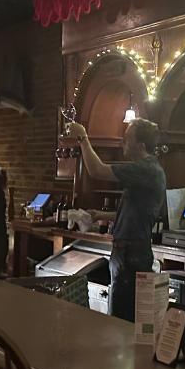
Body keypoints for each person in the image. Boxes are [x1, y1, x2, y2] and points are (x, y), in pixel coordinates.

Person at [68, 118, 166, 321]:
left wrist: (82, 137)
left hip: (131, 253)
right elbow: (137, 211)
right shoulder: (148, 169)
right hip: (131, 251)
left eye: (126, 139)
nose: (122, 143)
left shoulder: (145, 169)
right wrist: (100, 214)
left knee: (122, 318)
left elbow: (97, 170)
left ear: (140, 145)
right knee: (126, 315)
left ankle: (124, 353)